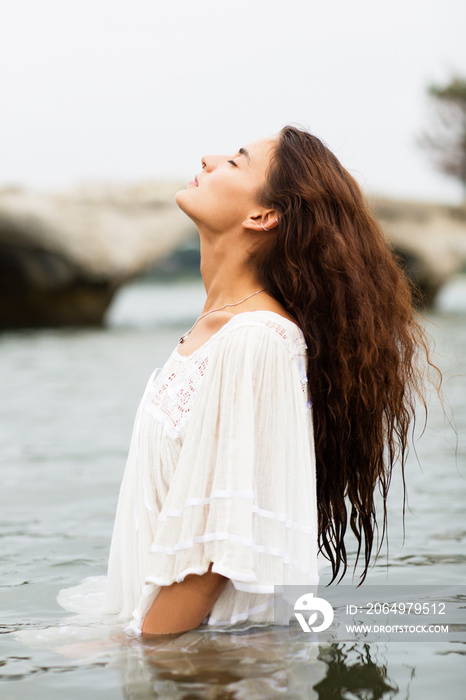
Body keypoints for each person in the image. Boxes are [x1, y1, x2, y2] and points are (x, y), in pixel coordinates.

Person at [102, 126, 434, 638]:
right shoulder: (219, 331)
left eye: (235, 162)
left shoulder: (257, 339)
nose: (209, 159)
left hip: (208, 668)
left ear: (263, 216)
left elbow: (215, 556)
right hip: (185, 650)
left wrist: (141, 654)